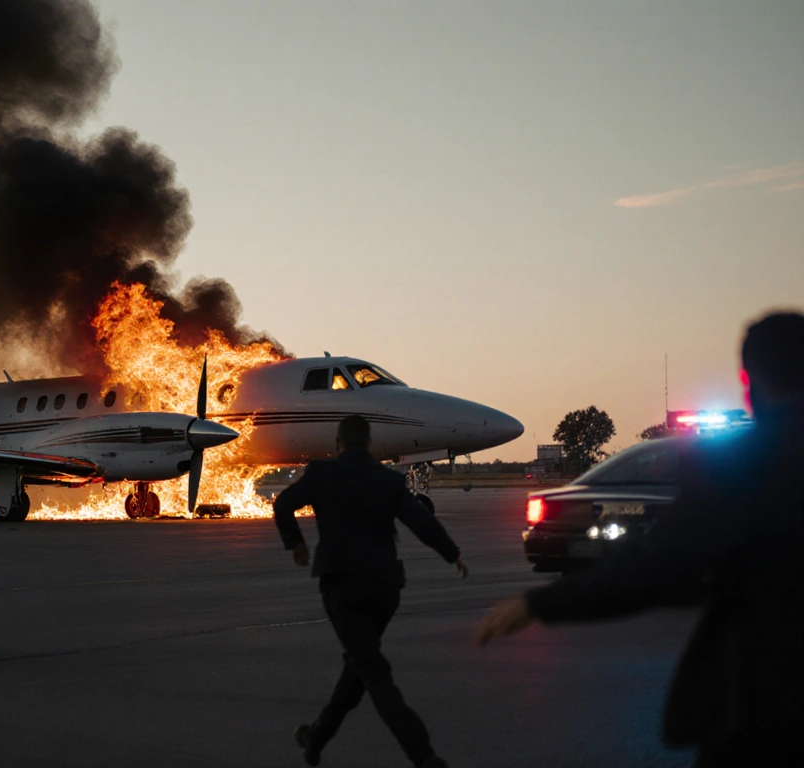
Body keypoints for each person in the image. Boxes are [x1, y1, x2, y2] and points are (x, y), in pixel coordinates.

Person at [477, 311, 804, 766]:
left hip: (766, 704)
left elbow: (661, 564)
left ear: (749, 382)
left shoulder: (741, 464)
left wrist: (540, 604)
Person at [274, 414, 469, 768]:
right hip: (384, 590)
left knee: (375, 676)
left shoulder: (321, 473)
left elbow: (283, 504)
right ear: (369, 443)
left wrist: (296, 544)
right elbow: (421, 521)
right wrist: (451, 552)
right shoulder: (387, 480)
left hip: (343, 588)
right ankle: (315, 738)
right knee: (360, 667)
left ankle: (424, 757)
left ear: (338, 442)